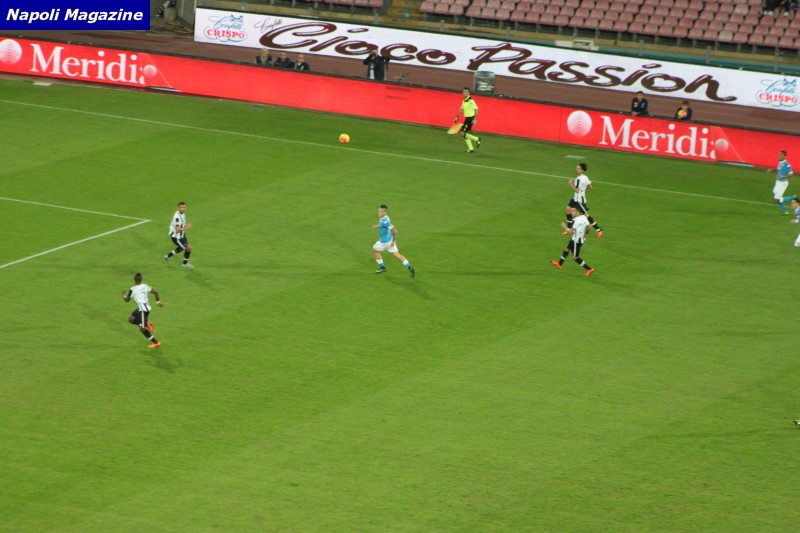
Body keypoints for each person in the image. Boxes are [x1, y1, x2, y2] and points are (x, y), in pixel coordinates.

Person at [372, 204, 415, 277]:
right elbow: (383, 225)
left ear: (385, 212)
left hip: (385, 243)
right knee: (397, 255)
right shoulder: (384, 218)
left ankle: (382, 267)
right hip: (390, 240)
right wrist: (377, 226)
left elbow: (394, 231)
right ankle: (409, 267)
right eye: (379, 211)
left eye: (381, 211)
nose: (379, 213)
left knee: (374, 251)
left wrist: (393, 241)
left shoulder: (385, 221)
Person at [551, 205, 595, 277]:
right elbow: (589, 226)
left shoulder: (575, 221)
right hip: (575, 239)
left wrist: (565, 227)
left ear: (578, 212)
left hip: (576, 242)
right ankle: (559, 264)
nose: (571, 212)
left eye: (573, 211)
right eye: (571, 211)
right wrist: (586, 234)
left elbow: (570, 232)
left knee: (575, 258)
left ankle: (589, 269)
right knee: (566, 249)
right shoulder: (583, 217)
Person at [122, 273, 163, 348]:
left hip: (142, 311)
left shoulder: (133, 289)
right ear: (141, 280)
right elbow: (156, 292)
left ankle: (156, 343)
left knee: (142, 329)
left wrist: (123, 294)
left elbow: (127, 300)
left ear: (134, 280)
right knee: (131, 319)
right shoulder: (145, 286)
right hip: (144, 308)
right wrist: (158, 302)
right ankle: (147, 324)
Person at [563, 163, 603, 237]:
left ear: (582, 170)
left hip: (579, 201)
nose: (576, 169)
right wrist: (583, 187)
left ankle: (598, 229)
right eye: (576, 168)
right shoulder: (585, 177)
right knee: (568, 210)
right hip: (575, 198)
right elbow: (590, 186)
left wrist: (570, 183)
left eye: (578, 168)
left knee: (586, 216)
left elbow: (576, 190)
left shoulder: (578, 179)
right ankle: (569, 229)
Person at [163, 201, 194, 268]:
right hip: (176, 237)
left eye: (183, 207)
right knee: (184, 247)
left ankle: (184, 263)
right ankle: (168, 256)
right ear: (178, 208)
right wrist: (187, 227)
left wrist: (186, 225)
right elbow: (177, 229)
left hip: (182, 235)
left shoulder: (182, 214)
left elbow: (181, 225)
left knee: (188, 248)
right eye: (181, 207)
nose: (182, 209)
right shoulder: (177, 217)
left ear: (185, 207)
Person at [454, 87, 481, 153]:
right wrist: (457, 116)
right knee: (464, 134)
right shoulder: (464, 101)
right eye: (464, 91)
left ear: (469, 93)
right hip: (467, 119)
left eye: (466, 92)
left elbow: (476, 109)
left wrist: (475, 119)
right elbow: (461, 109)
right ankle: (471, 149)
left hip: (470, 119)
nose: (464, 93)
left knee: (462, 133)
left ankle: (477, 139)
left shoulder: (471, 101)